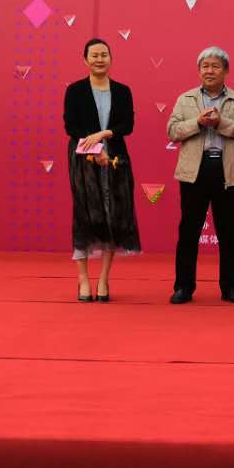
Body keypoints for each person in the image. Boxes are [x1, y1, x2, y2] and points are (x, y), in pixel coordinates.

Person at [166, 46, 234, 304]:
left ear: (225, 71)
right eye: (205, 66)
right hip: (194, 171)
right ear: (199, 71)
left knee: (227, 232)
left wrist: (220, 123)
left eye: (215, 66)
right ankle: (184, 287)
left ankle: (231, 287)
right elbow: (172, 131)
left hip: (226, 171)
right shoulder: (186, 99)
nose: (209, 71)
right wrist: (197, 122)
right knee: (189, 231)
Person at [61, 37, 141, 302]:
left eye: (104, 54)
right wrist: (95, 148)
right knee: (85, 215)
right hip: (84, 158)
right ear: (85, 60)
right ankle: (83, 279)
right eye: (94, 55)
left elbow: (127, 125)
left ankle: (104, 279)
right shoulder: (75, 90)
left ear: (111, 58)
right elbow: (71, 126)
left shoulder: (123, 91)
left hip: (116, 158)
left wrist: (104, 134)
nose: (99, 59)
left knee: (113, 214)